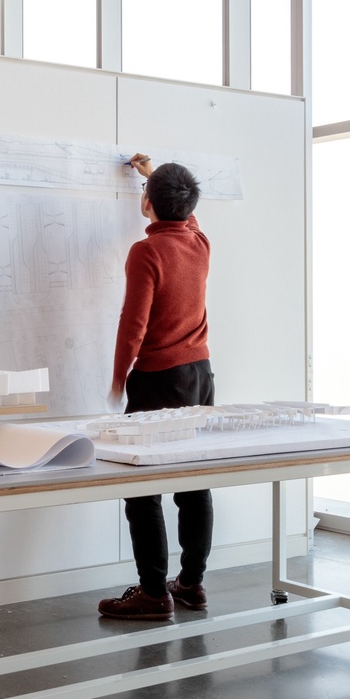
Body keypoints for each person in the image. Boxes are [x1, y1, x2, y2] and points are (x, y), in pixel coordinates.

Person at [98, 154, 215, 621]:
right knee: (193, 481)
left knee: (143, 485)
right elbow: (186, 215)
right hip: (201, 376)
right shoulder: (199, 242)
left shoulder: (145, 252)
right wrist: (155, 180)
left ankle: (152, 593)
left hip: (157, 379)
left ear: (147, 205)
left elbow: (134, 324)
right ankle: (190, 584)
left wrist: (116, 379)